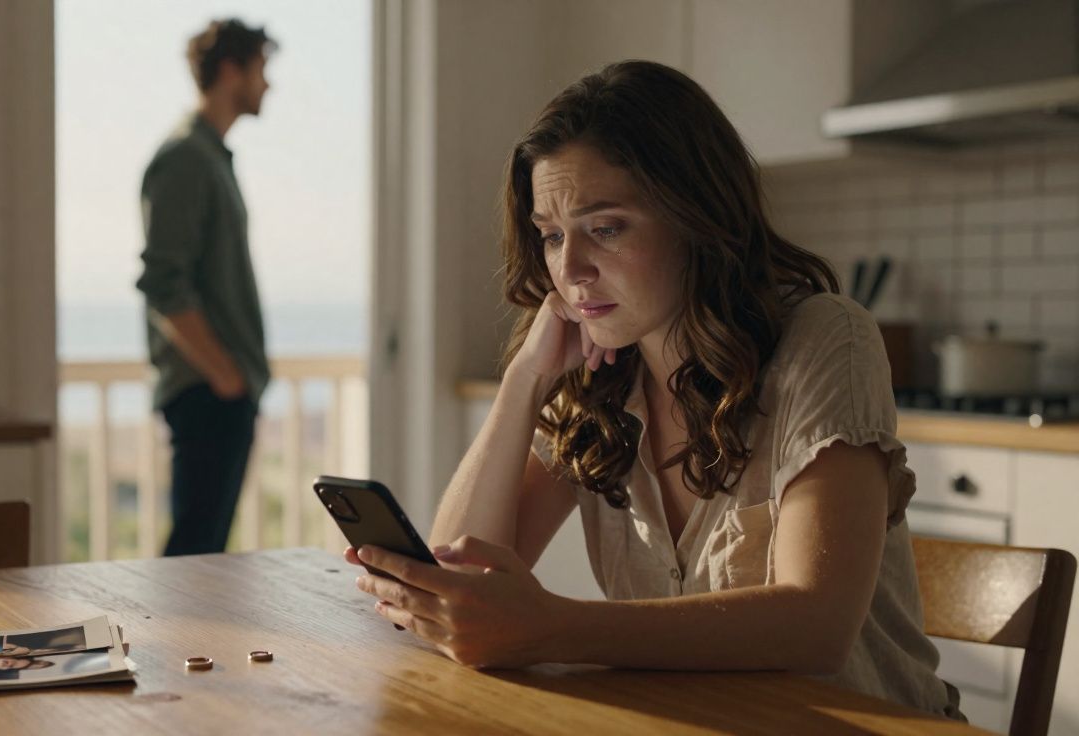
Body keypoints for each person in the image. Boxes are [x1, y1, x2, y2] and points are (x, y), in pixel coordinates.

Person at [346, 60, 965, 720]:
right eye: (552, 236)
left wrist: (554, 627)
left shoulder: (825, 339)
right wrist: (525, 380)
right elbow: (461, 583)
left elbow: (818, 624)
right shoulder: (596, 385)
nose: (570, 269)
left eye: (606, 228)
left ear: (696, 217)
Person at [136, 19, 277, 556]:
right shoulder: (185, 160)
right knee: (193, 558)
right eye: (261, 69)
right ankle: (166, 645)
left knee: (204, 553)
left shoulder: (209, 157)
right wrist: (225, 378)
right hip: (206, 394)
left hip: (219, 392)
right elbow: (163, 285)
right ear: (229, 70)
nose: (268, 85)